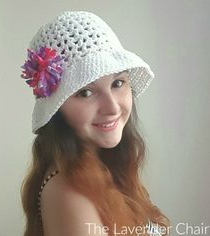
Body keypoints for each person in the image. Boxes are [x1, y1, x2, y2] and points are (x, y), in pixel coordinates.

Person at [20, 11, 170, 236]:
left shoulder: (107, 167)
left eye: (118, 83)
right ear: (57, 110)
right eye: (86, 92)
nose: (112, 107)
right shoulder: (69, 193)